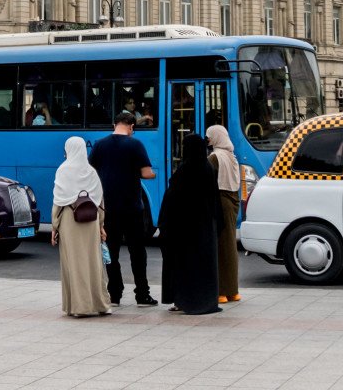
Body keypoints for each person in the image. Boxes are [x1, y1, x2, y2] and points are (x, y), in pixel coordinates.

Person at [88, 112, 157, 307]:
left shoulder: (100, 144)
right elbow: (146, 173)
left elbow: (91, 172)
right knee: (137, 253)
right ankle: (142, 294)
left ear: (114, 124)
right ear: (132, 126)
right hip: (132, 207)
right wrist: (149, 175)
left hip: (109, 207)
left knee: (111, 252)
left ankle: (115, 294)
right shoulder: (135, 145)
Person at [157, 135, 220, 315]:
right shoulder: (208, 168)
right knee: (202, 266)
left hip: (184, 228)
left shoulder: (185, 169)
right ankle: (206, 300)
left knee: (184, 265)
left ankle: (184, 300)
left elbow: (173, 198)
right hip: (204, 226)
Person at [51, 136, 111, 318]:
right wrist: (101, 225)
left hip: (70, 221)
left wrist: (54, 227)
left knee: (74, 263)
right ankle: (101, 304)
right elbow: (100, 200)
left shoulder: (63, 170)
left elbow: (59, 202)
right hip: (91, 220)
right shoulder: (91, 171)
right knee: (94, 262)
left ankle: (79, 307)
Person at [205, 124, 242, 304]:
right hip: (233, 201)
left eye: (209, 136)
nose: (208, 139)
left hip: (221, 202)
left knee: (221, 248)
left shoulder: (214, 157)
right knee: (230, 246)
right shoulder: (231, 155)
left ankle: (221, 291)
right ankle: (233, 291)